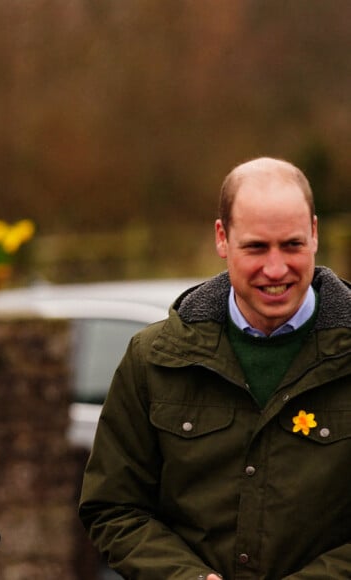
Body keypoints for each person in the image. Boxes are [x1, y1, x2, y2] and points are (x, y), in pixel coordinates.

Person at [79, 157, 351, 579]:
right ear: (222, 238)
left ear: (315, 233)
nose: (276, 269)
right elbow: (113, 507)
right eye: (256, 247)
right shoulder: (152, 359)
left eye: (292, 245)